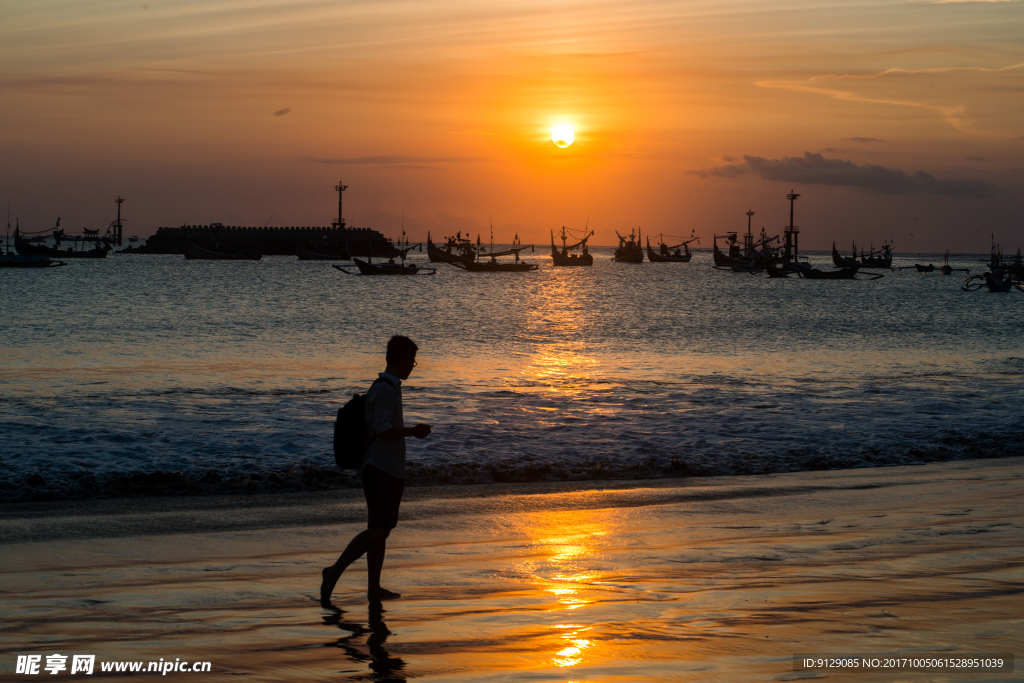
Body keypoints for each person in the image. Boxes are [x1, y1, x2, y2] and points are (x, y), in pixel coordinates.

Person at [321, 335, 432, 605]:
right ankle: (334, 570)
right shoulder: (385, 389)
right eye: (412, 361)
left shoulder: (390, 387)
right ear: (403, 358)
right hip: (380, 467)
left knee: (379, 528)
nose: (413, 366)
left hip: (386, 467)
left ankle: (374, 588)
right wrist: (413, 432)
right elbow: (383, 431)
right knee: (380, 529)